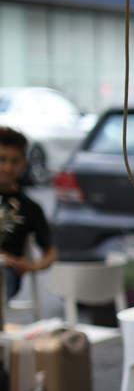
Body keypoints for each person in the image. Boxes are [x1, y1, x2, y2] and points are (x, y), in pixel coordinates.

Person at [0, 127, 58, 301]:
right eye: (2, 159)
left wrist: (32, 266)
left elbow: (51, 252)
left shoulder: (29, 207)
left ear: (23, 164)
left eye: (14, 161)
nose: (8, 168)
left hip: (4, 277)